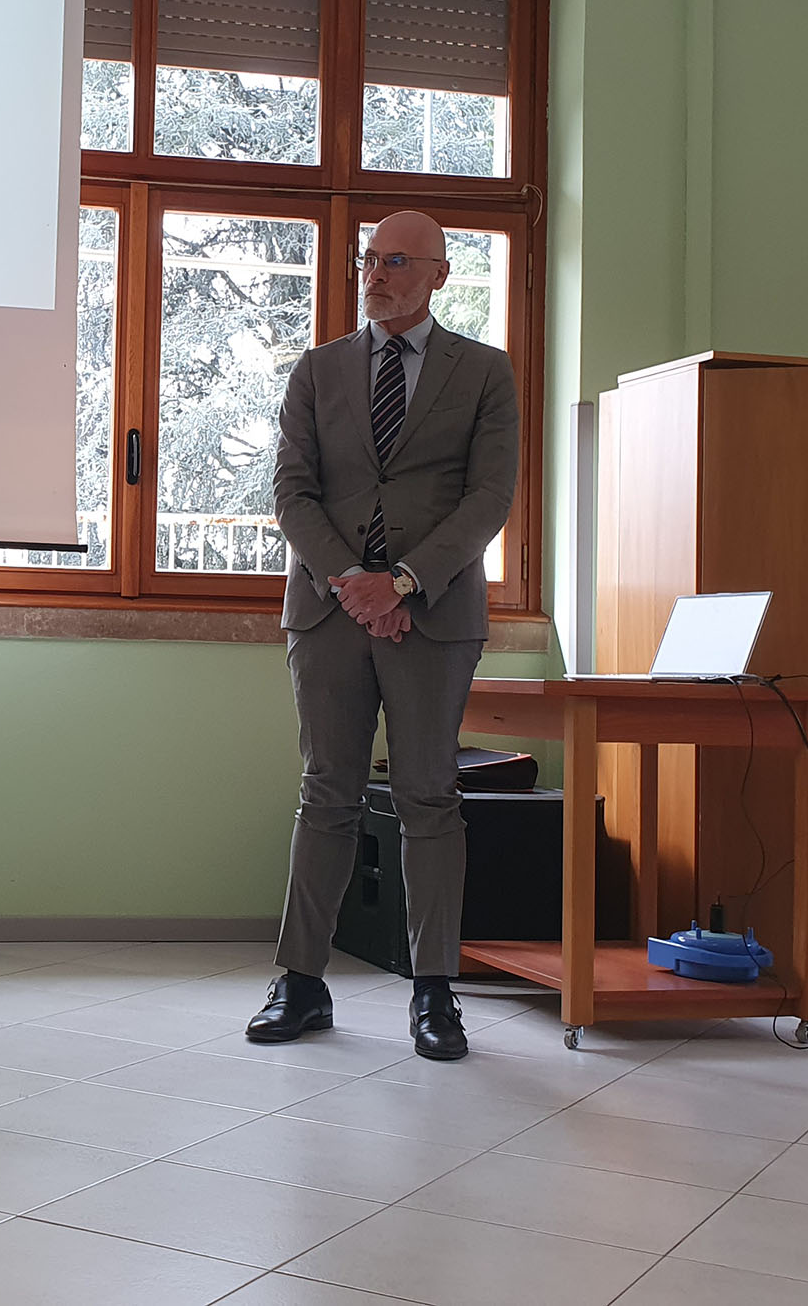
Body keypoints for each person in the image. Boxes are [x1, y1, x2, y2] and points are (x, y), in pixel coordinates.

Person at [250, 211, 519, 1062]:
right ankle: (300, 981)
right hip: (328, 610)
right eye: (370, 258)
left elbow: (489, 497)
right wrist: (355, 583)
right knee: (326, 790)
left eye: (398, 260)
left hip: (433, 613)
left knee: (428, 794)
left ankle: (434, 991)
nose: (376, 273)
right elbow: (292, 492)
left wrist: (401, 581)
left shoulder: (485, 372)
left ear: (440, 274)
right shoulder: (318, 369)